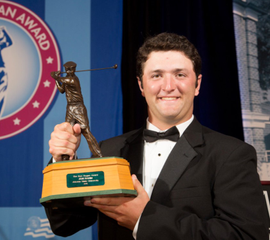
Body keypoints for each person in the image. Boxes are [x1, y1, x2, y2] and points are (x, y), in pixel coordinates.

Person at [45, 32, 269, 239]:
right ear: (141, 85)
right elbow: (65, 223)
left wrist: (145, 219)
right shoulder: (109, 151)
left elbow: (247, 235)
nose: (169, 86)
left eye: (180, 74)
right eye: (156, 75)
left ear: (197, 84)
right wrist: (61, 160)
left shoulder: (232, 154)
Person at [51, 61, 102, 160]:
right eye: (67, 69)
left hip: (78, 107)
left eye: (70, 69)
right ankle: (65, 158)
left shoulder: (73, 79)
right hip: (70, 108)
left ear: (74, 69)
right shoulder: (66, 79)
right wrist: (56, 80)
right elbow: (61, 90)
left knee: (86, 131)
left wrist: (55, 76)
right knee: (68, 133)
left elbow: (62, 79)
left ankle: (98, 154)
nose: (68, 71)